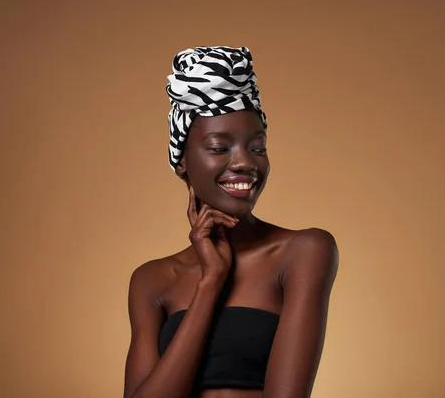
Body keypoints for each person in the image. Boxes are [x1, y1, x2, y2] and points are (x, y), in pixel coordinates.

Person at [123, 46, 339, 398]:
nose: (244, 164)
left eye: (257, 147)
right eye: (220, 148)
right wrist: (211, 283)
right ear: (182, 161)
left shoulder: (304, 251)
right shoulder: (151, 280)